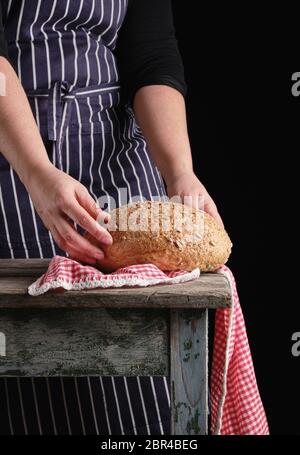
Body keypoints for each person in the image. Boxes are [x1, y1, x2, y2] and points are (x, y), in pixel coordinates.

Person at [0, 0, 223, 434]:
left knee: (141, 395)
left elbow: (152, 55)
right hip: (13, 152)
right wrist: (37, 170)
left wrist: (180, 173)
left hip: (115, 157)